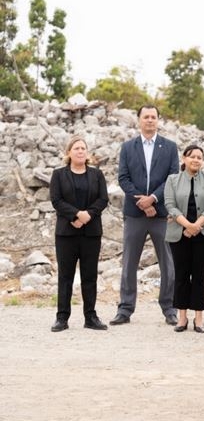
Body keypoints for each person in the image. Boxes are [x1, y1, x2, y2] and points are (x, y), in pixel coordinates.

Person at [111, 105, 179, 326]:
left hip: (161, 214)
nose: (150, 120)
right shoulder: (128, 147)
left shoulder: (169, 147)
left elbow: (173, 177)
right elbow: (123, 178)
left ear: (159, 120)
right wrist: (142, 202)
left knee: (167, 263)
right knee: (130, 261)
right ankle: (125, 309)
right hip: (135, 213)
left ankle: (169, 308)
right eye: (145, 117)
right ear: (138, 120)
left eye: (153, 117)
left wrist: (154, 199)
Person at [49, 136, 110, 332]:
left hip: (91, 233)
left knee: (89, 275)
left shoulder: (96, 175)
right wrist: (75, 215)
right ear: (69, 153)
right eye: (76, 148)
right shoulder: (58, 175)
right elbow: (56, 200)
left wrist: (87, 215)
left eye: (83, 148)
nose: (80, 151)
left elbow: (103, 199)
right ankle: (62, 317)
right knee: (65, 276)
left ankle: (90, 317)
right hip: (66, 233)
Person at [164, 145, 204, 334]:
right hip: (179, 233)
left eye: (199, 157)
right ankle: (181, 317)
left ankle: (199, 318)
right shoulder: (172, 180)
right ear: (184, 159)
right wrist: (187, 225)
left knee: (199, 275)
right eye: (192, 156)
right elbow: (170, 205)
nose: (196, 160)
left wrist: (197, 226)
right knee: (181, 274)